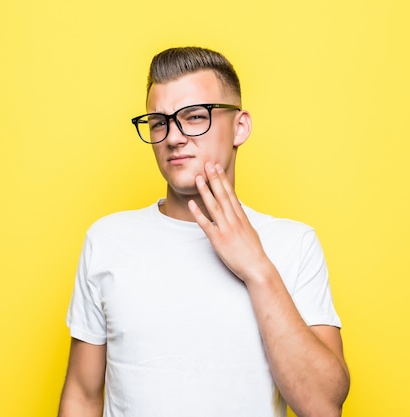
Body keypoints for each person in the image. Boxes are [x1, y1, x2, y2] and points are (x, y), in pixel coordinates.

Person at [58, 46, 349, 417]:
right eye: (159, 121)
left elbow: (323, 406)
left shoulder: (294, 244)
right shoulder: (107, 240)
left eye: (194, 117)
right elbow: (82, 396)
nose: (173, 137)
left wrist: (257, 269)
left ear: (239, 127)